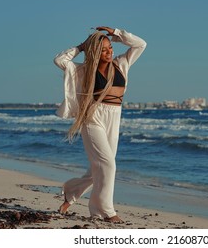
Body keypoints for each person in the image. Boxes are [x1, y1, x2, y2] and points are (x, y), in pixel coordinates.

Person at [53, 26, 146, 223]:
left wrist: (117, 33)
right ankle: (107, 211)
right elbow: (60, 60)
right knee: (108, 165)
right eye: (103, 49)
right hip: (92, 117)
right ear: (94, 51)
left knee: (100, 167)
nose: (109, 51)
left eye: (109, 47)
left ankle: (72, 194)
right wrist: (81, 47)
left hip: (114, 117)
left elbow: (140, 44)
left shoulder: (122, 63)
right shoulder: (84, 70)